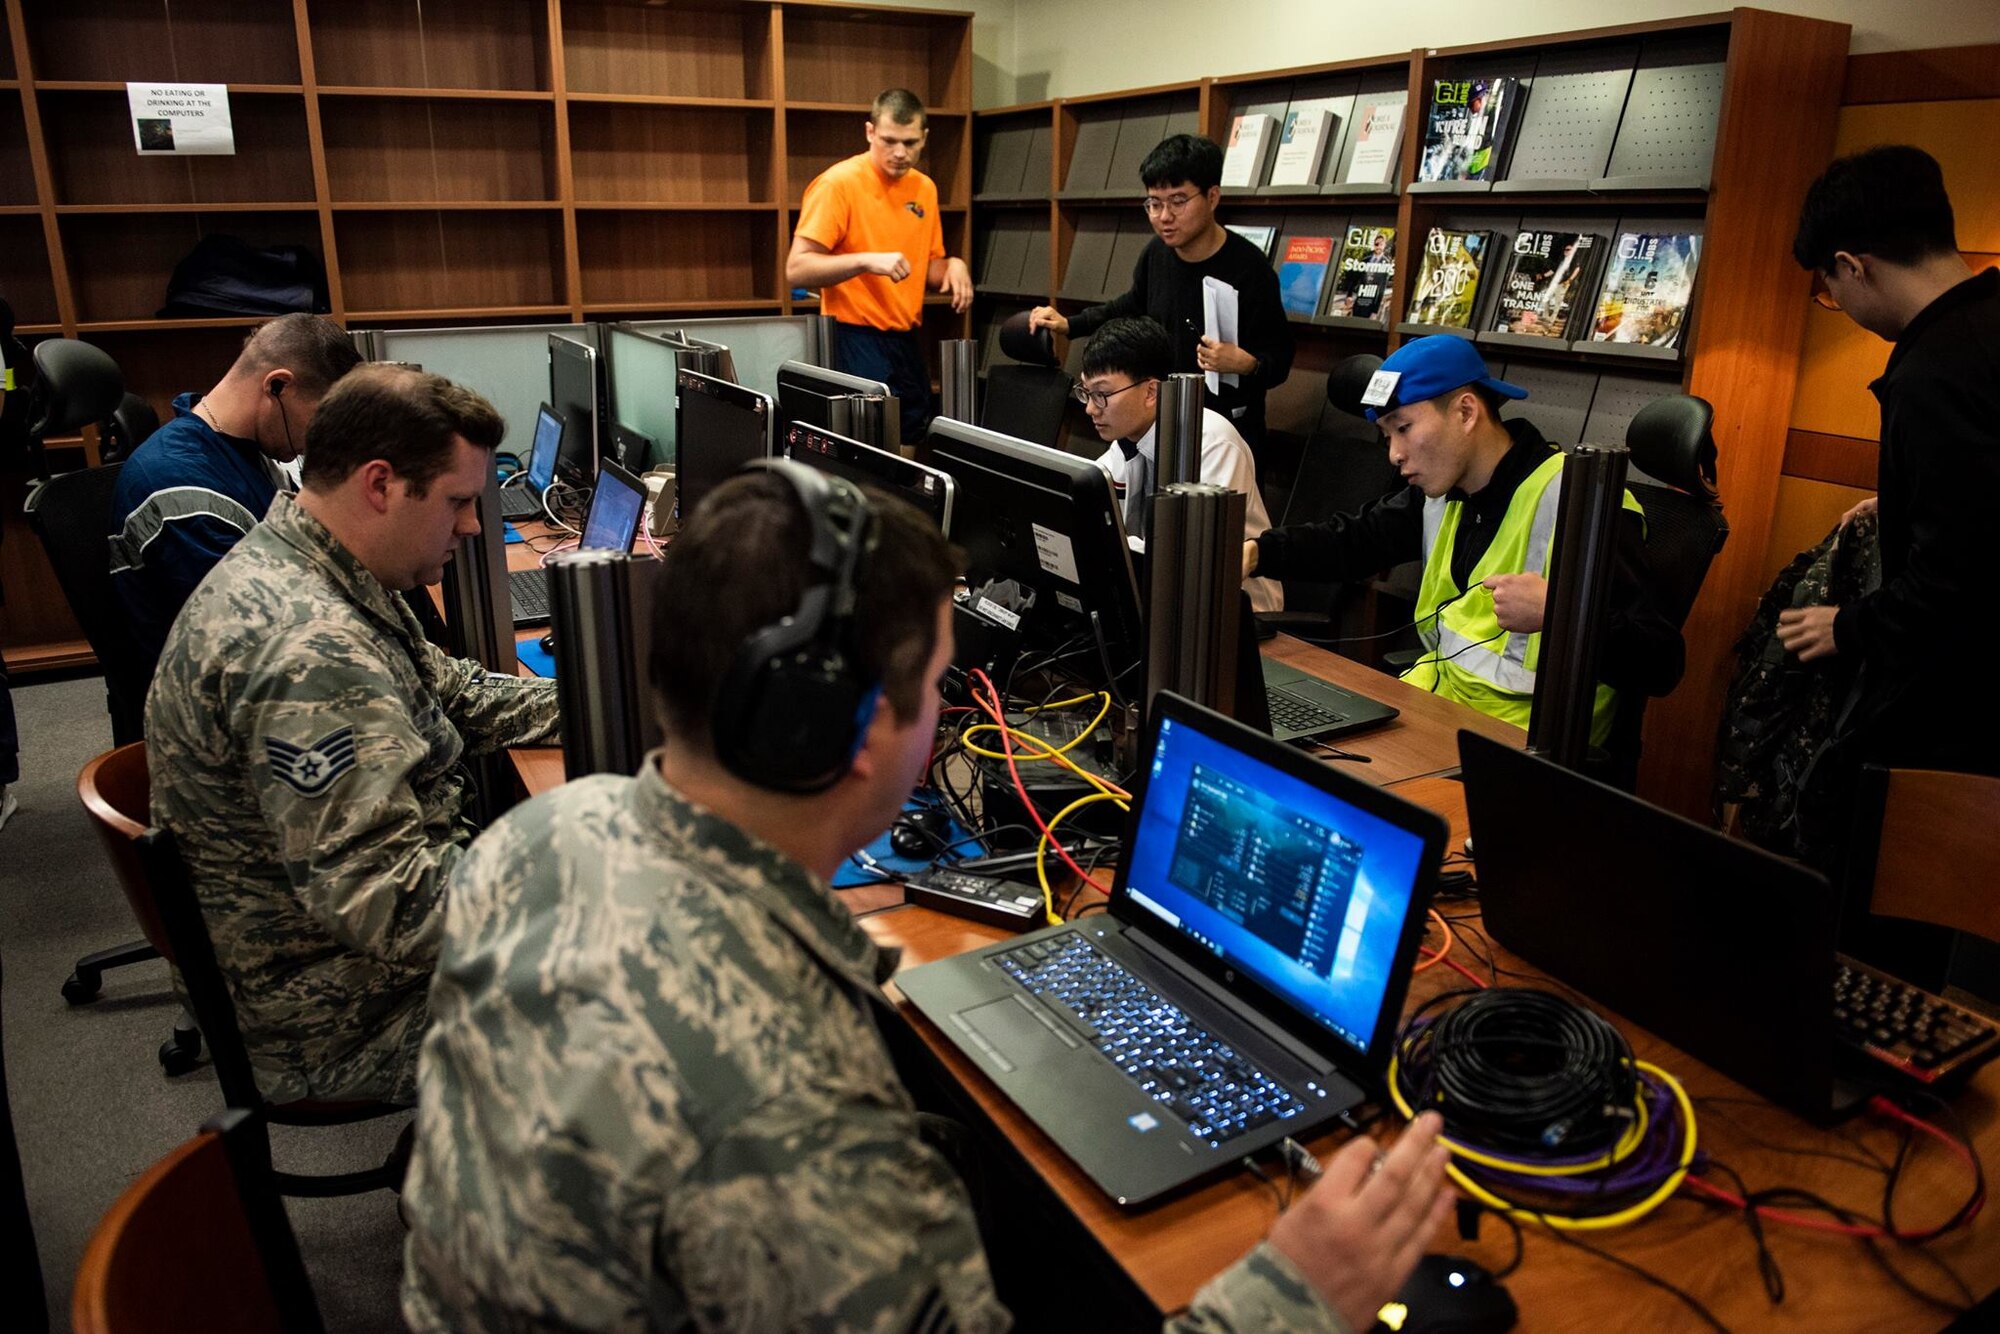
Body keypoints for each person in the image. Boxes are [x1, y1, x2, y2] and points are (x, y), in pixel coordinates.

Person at [401, 463, 1454, 1331]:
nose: (945, 713)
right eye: (940, 685)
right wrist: (1293, 1293)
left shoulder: (539, 835)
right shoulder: (800, 1120)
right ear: (852, 731)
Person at [146, 366, 560, 1106]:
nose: (472, 526)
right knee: (651, 984)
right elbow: (393, 906)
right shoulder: (309, 649)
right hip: (335, 1016)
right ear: (380, 485)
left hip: (329, 954)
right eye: (458, 502)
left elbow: (453, 693)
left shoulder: (314, 560)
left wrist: (623, 700)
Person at [1244, 335, 1683, 745]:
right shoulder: (1441, 493)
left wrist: (1561, 610)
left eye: (1404, 427)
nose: (1394, 454)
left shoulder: (1579, 502)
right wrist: (1259, 552)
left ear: (1466, 411)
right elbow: (1354, 541)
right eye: (1387, 436)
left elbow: (1660, 663)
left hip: (1516, 746)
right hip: (1433, 710)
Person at [1776, 145, 1999, 780]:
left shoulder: (1933, 373)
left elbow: (1955, 583)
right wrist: (1905, 501)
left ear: (1852, 266)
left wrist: (1846, 626)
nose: (1839, 304)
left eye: (1830, 289)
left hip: (1962, 726)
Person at [109, 312, 363, 683]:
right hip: (220, 709)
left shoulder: (247, 451)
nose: (317, 441)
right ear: (277, 387)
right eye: (320, 421)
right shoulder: (180, 488)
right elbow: (261, 642)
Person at [1030, 133, 1294, 459]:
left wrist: (1247, 364)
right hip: (1160, 422)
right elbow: (1131, 306)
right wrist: (1071, 324)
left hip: (1228, 434)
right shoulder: (1156, 254)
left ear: (1212, 197)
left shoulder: (1250, 269)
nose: (1164, 216)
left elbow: (1280, 361)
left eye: (1178, 201)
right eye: (1154, 203)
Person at [788, 88, 974, 445]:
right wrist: (865, 261)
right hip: (853, 333)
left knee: (914, 428)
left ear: (924, 138)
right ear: (870, 132)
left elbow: (925, 269)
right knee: (867, 438)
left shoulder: (924, 188)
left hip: (904, 334)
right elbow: (797, 269)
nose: (900, 153)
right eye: (889, 141)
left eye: (910, 142)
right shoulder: (839, 183)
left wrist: (954, 265)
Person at [1080, 316, 1283, 612]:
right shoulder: (1124, 444)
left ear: (1151, 391)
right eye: (1085, 392)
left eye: (1102, 394)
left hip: (1237, 614)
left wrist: (1110, 547)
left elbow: (1194, 558)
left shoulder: (1211, 443)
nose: (1089, 408)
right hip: (1158, 604)